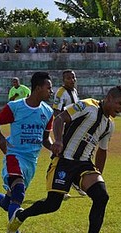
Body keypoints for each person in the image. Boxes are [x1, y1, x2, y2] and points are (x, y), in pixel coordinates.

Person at [6, 86, 121, 233]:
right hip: (64, 161)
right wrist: (58, 141)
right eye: (120, 103)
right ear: (109, 98)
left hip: (84, 164)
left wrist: (98, 175)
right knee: (53, 204)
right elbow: (60, 119)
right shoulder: (87, 106)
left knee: (102, 196)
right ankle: (21, 215)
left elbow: (103, 150)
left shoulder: (109, 124)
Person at [0, 72, 54, 233]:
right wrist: (1, 139)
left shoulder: (47, 112)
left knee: (9, 202)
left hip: (31, 162)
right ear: (38, 88)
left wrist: (54, 147)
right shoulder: (15, 107)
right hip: (14, 155)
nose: (51, 91)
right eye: (48, 87)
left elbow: (45, 140)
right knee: (18, 194)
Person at [52, 70, 87, 198]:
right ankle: (58, 188)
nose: (72, 80)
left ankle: (74, 183)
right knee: (60, 157)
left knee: (74, 156)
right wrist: (59, 134)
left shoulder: (74, 91)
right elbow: (56, 111)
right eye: (68, 78)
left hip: (74, 129)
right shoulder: (61, 92)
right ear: (63, 80)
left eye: (73, 77)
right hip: (65, 130)